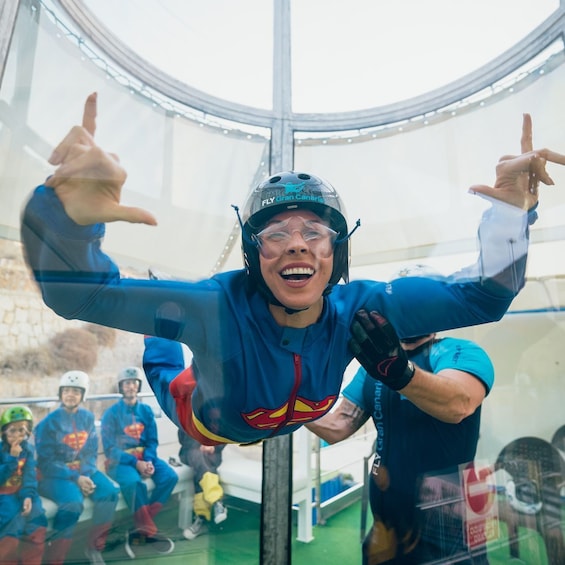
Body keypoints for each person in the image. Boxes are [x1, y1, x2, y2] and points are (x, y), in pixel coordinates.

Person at [20, 92, 565, 446]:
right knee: (165, 362)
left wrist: (510, 215)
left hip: (281, 408)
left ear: (338, 254)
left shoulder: (363, 307)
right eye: (275, 235)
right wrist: (65, 221)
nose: (296, 247)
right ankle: (162, 340)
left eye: (315, 233)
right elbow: (83, 298)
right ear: (254, 256)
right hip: (204, 419)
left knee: (176, 328)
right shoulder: (214, 305)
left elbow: (483, 299)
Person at [307, 265, 495, 564]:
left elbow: (458, 404)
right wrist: (286, 409)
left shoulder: (459, 351)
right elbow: (339, 424)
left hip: (448, 524)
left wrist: (399, 372)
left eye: (420, 300)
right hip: (387, 526)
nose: (412, 309)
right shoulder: (374, 361)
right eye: (405, 301)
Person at [142, 334, 228, 540]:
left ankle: (201, 518)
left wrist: (213, 446)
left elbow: (225, 432)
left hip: (210, 454)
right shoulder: (189, 401)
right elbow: (185, 434)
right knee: (200, 458)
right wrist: (202, 445)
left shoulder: (218, 405)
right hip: (189, 451)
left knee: (204, 466)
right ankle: (216, 500)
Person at [34, 371, 119, 565]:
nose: (70, 395)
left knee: (110, 493)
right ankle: (54, 559)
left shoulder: (88, 418)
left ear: (83, 395)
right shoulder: (47, 424)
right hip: (55, 476)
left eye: (75, 391)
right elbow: (45, 463)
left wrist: (85, 474)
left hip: (83, 471)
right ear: (60, 394)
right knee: (73, 504)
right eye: (66, 391)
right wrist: (76, 477)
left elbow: (90, 451)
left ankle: (93, 547)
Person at [100, 366, 177, 558]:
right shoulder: (111, 414)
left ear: (138, 385)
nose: (131, 386)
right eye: (126, 383)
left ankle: (140, 525)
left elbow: (152, 440)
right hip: (120, 461)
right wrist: (136, 464)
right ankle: (149, 530)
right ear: (121, 387)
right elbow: (110, 448)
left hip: (145, 456)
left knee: (169, 476)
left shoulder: (146, 411)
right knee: (135, 483)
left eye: (134, 382)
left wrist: (149, 461)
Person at [0, 406, 47, 565]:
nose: (17, 435)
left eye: (21, 430)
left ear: (28, 432)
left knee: (37, 519)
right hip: (4, 494)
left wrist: (28, 496)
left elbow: (30, 476)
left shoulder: (28, 450)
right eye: (12, 430)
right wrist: (12, 459)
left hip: (22, 492)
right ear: (3, 433)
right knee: (11, 523)